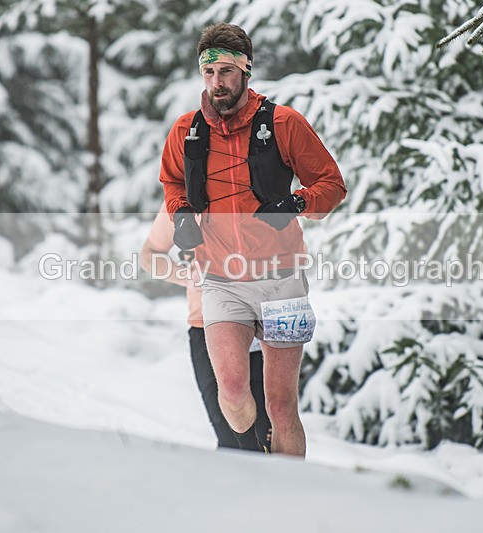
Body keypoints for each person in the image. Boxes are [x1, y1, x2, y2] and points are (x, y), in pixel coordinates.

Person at [159, 23, 346, 457]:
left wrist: (295, 204)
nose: (216, 82)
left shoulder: (283, 123)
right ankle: (257, 459)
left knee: (281, 406)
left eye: (225, 71)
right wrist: (181, 213)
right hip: (221, 281)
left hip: (281, 280)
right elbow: (172, 183)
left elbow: (331, 185)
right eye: (208, 73)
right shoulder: (187, 131)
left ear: (246, 70)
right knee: (232, 390)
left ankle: (287, 494)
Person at [139, 203, 272, 452]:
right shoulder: (180, 201)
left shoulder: (253, 188)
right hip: (204, 327)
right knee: (229, 437)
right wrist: (186, 276)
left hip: (259, 326)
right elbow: (149, 254)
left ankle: (284, 488)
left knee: (267, 436)